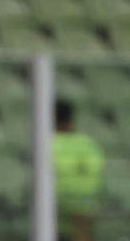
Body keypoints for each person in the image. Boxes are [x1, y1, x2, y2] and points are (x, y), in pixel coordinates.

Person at [53, 99, 105, 241]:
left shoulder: (45, 144)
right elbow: (96, 174)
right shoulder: (87, 143)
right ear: (71, 119)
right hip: (82, 208)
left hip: (56, 206)